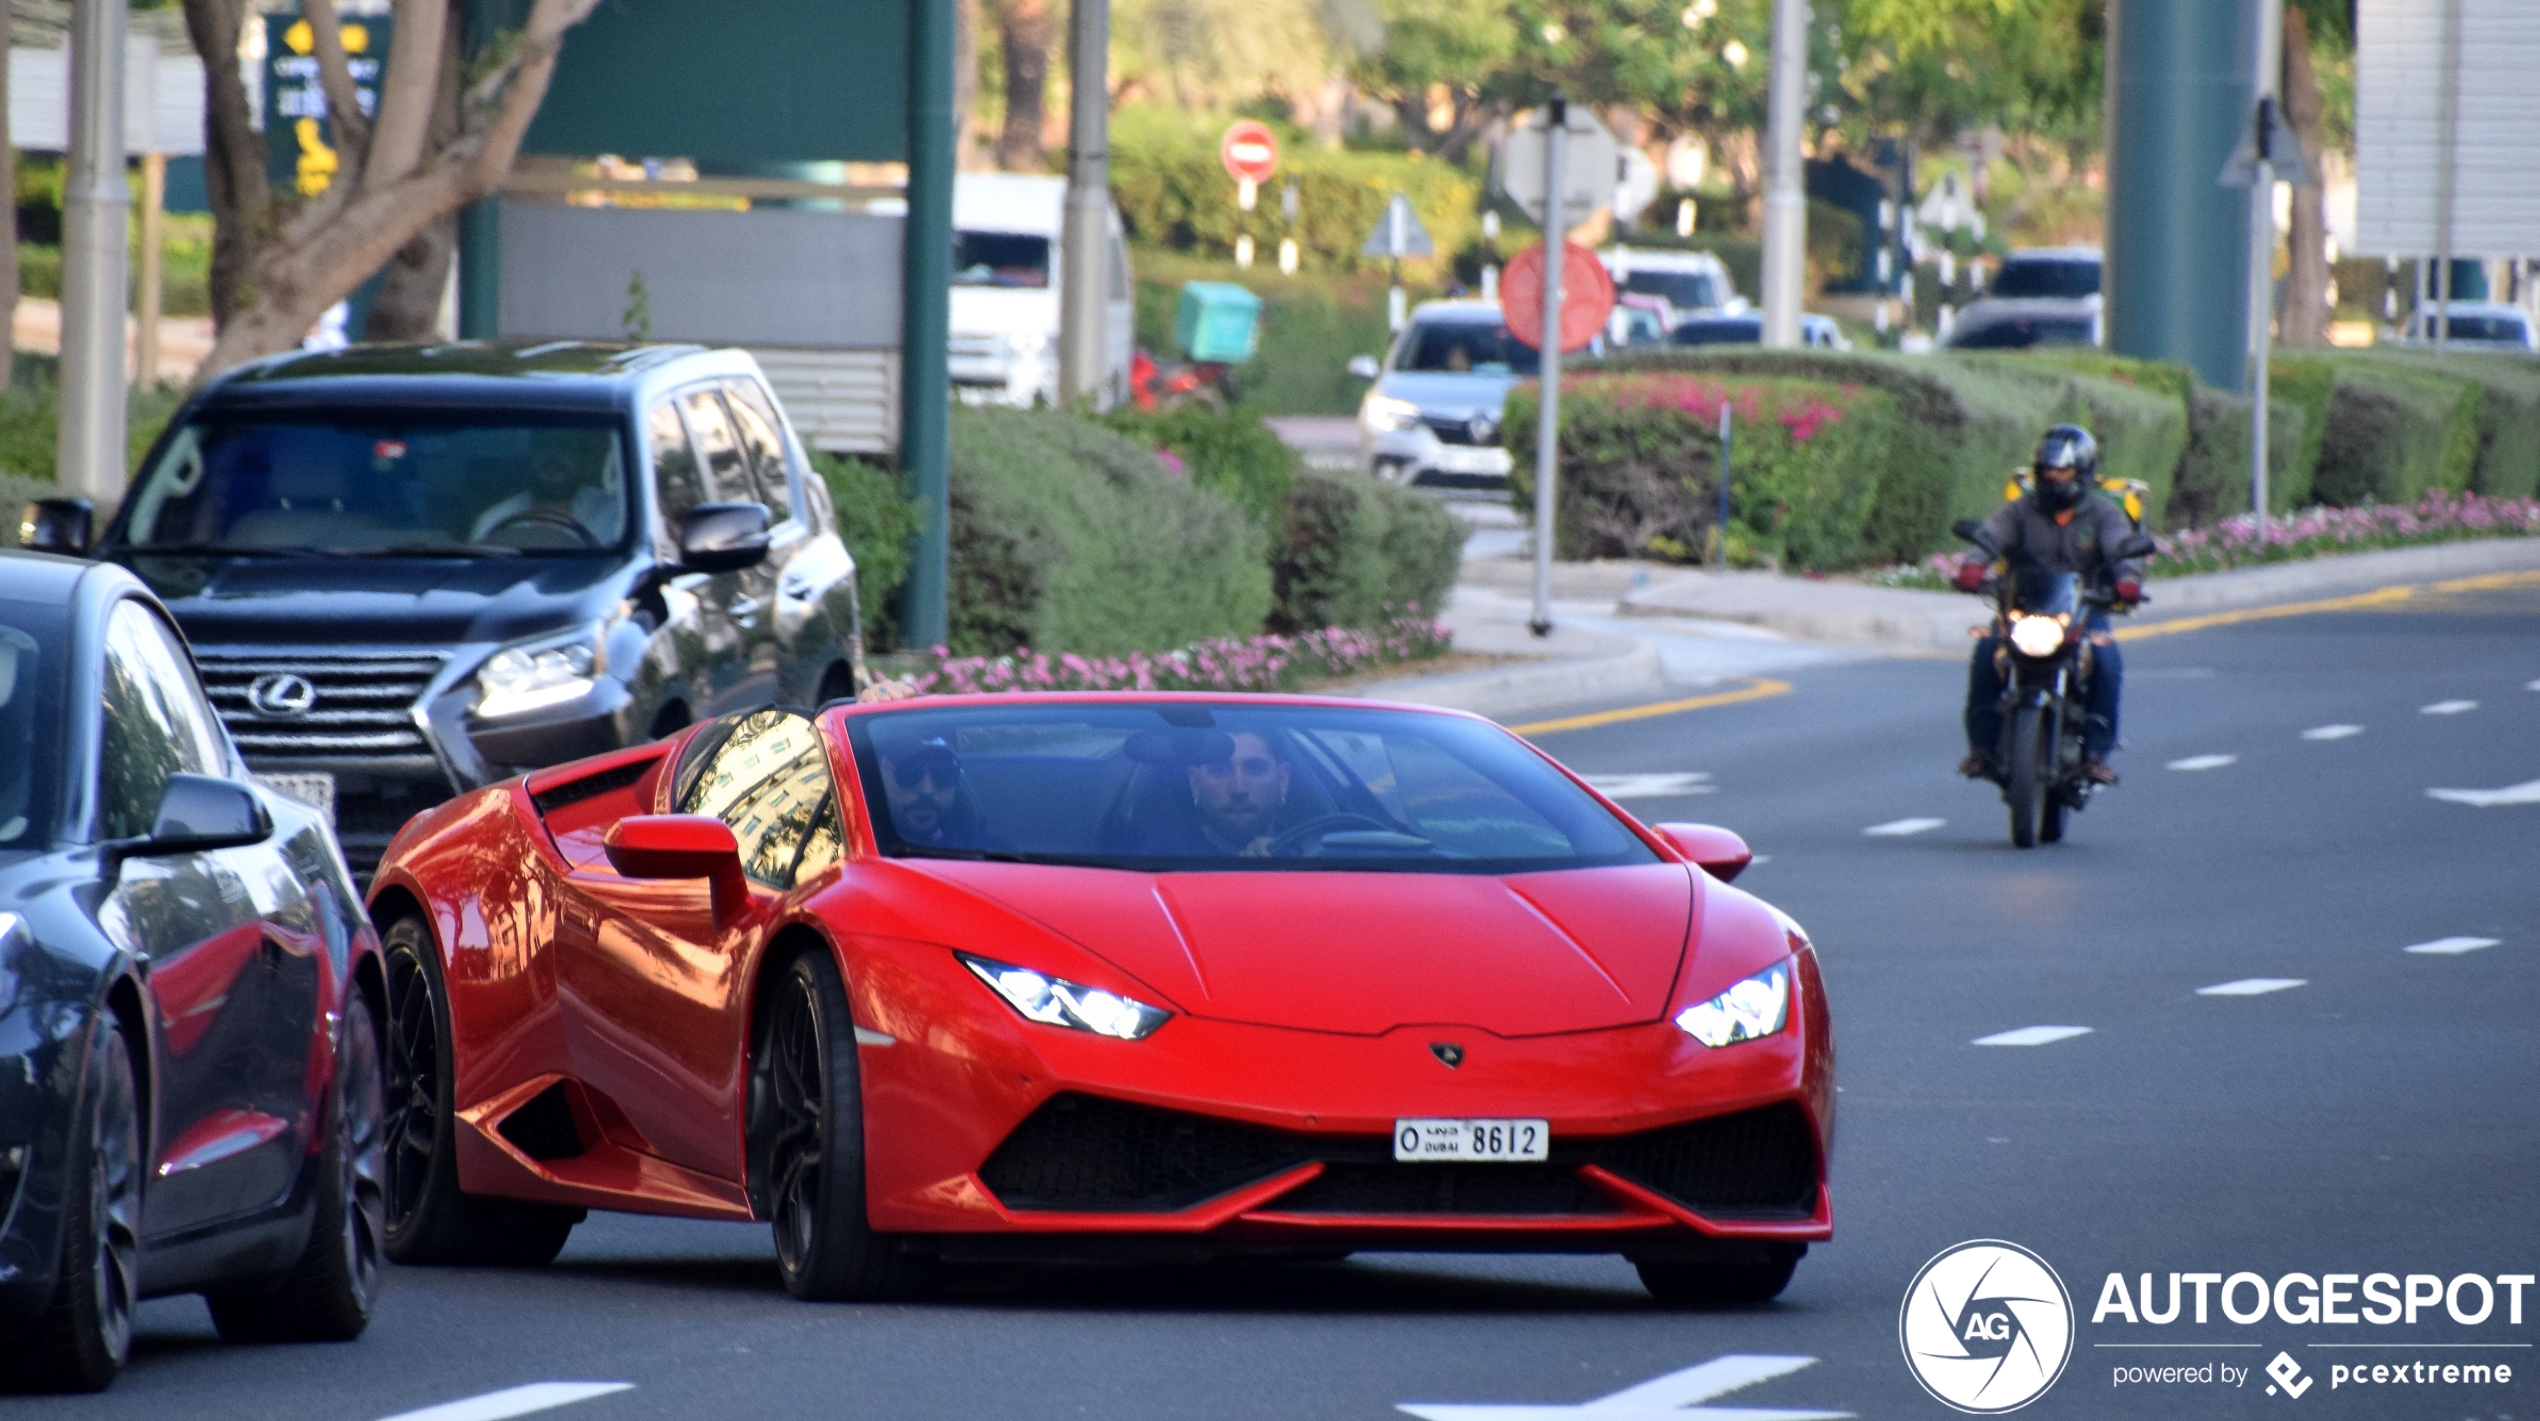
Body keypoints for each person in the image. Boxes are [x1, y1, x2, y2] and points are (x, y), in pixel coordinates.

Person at [1952, 424, 2143, 786]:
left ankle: (2096, 754)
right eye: (2047, 470)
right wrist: (1974, 567)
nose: (2054, 478)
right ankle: (1981, 749)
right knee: (1987, 649)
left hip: (2085, 609)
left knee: (2105, 657)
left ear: (2082, 473)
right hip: (2023, 608)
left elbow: (2121, 549)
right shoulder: (2020, 510)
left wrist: (2128, 581)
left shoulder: (2104, 514)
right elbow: (1991, 537)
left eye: (2063, 471)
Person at [470, 430, 624, 545]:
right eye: (545, 446)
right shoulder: (494, 521)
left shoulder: (615, 515)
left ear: (581, 459)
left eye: (565, 447)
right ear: (531, 456)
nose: (554, 457)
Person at [1187, 730, 1290, 856]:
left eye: (1255, 769)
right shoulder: (1166, 858)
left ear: (1282, 780)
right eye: (1220, 770)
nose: (1238, 789)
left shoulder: (1311, 845)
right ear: (1195, 783)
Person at [878, 735, 975, 847]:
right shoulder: (856, 852)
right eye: (909, 773)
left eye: (943, 774)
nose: (927, 790)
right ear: (878, 775)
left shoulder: (987, 856)